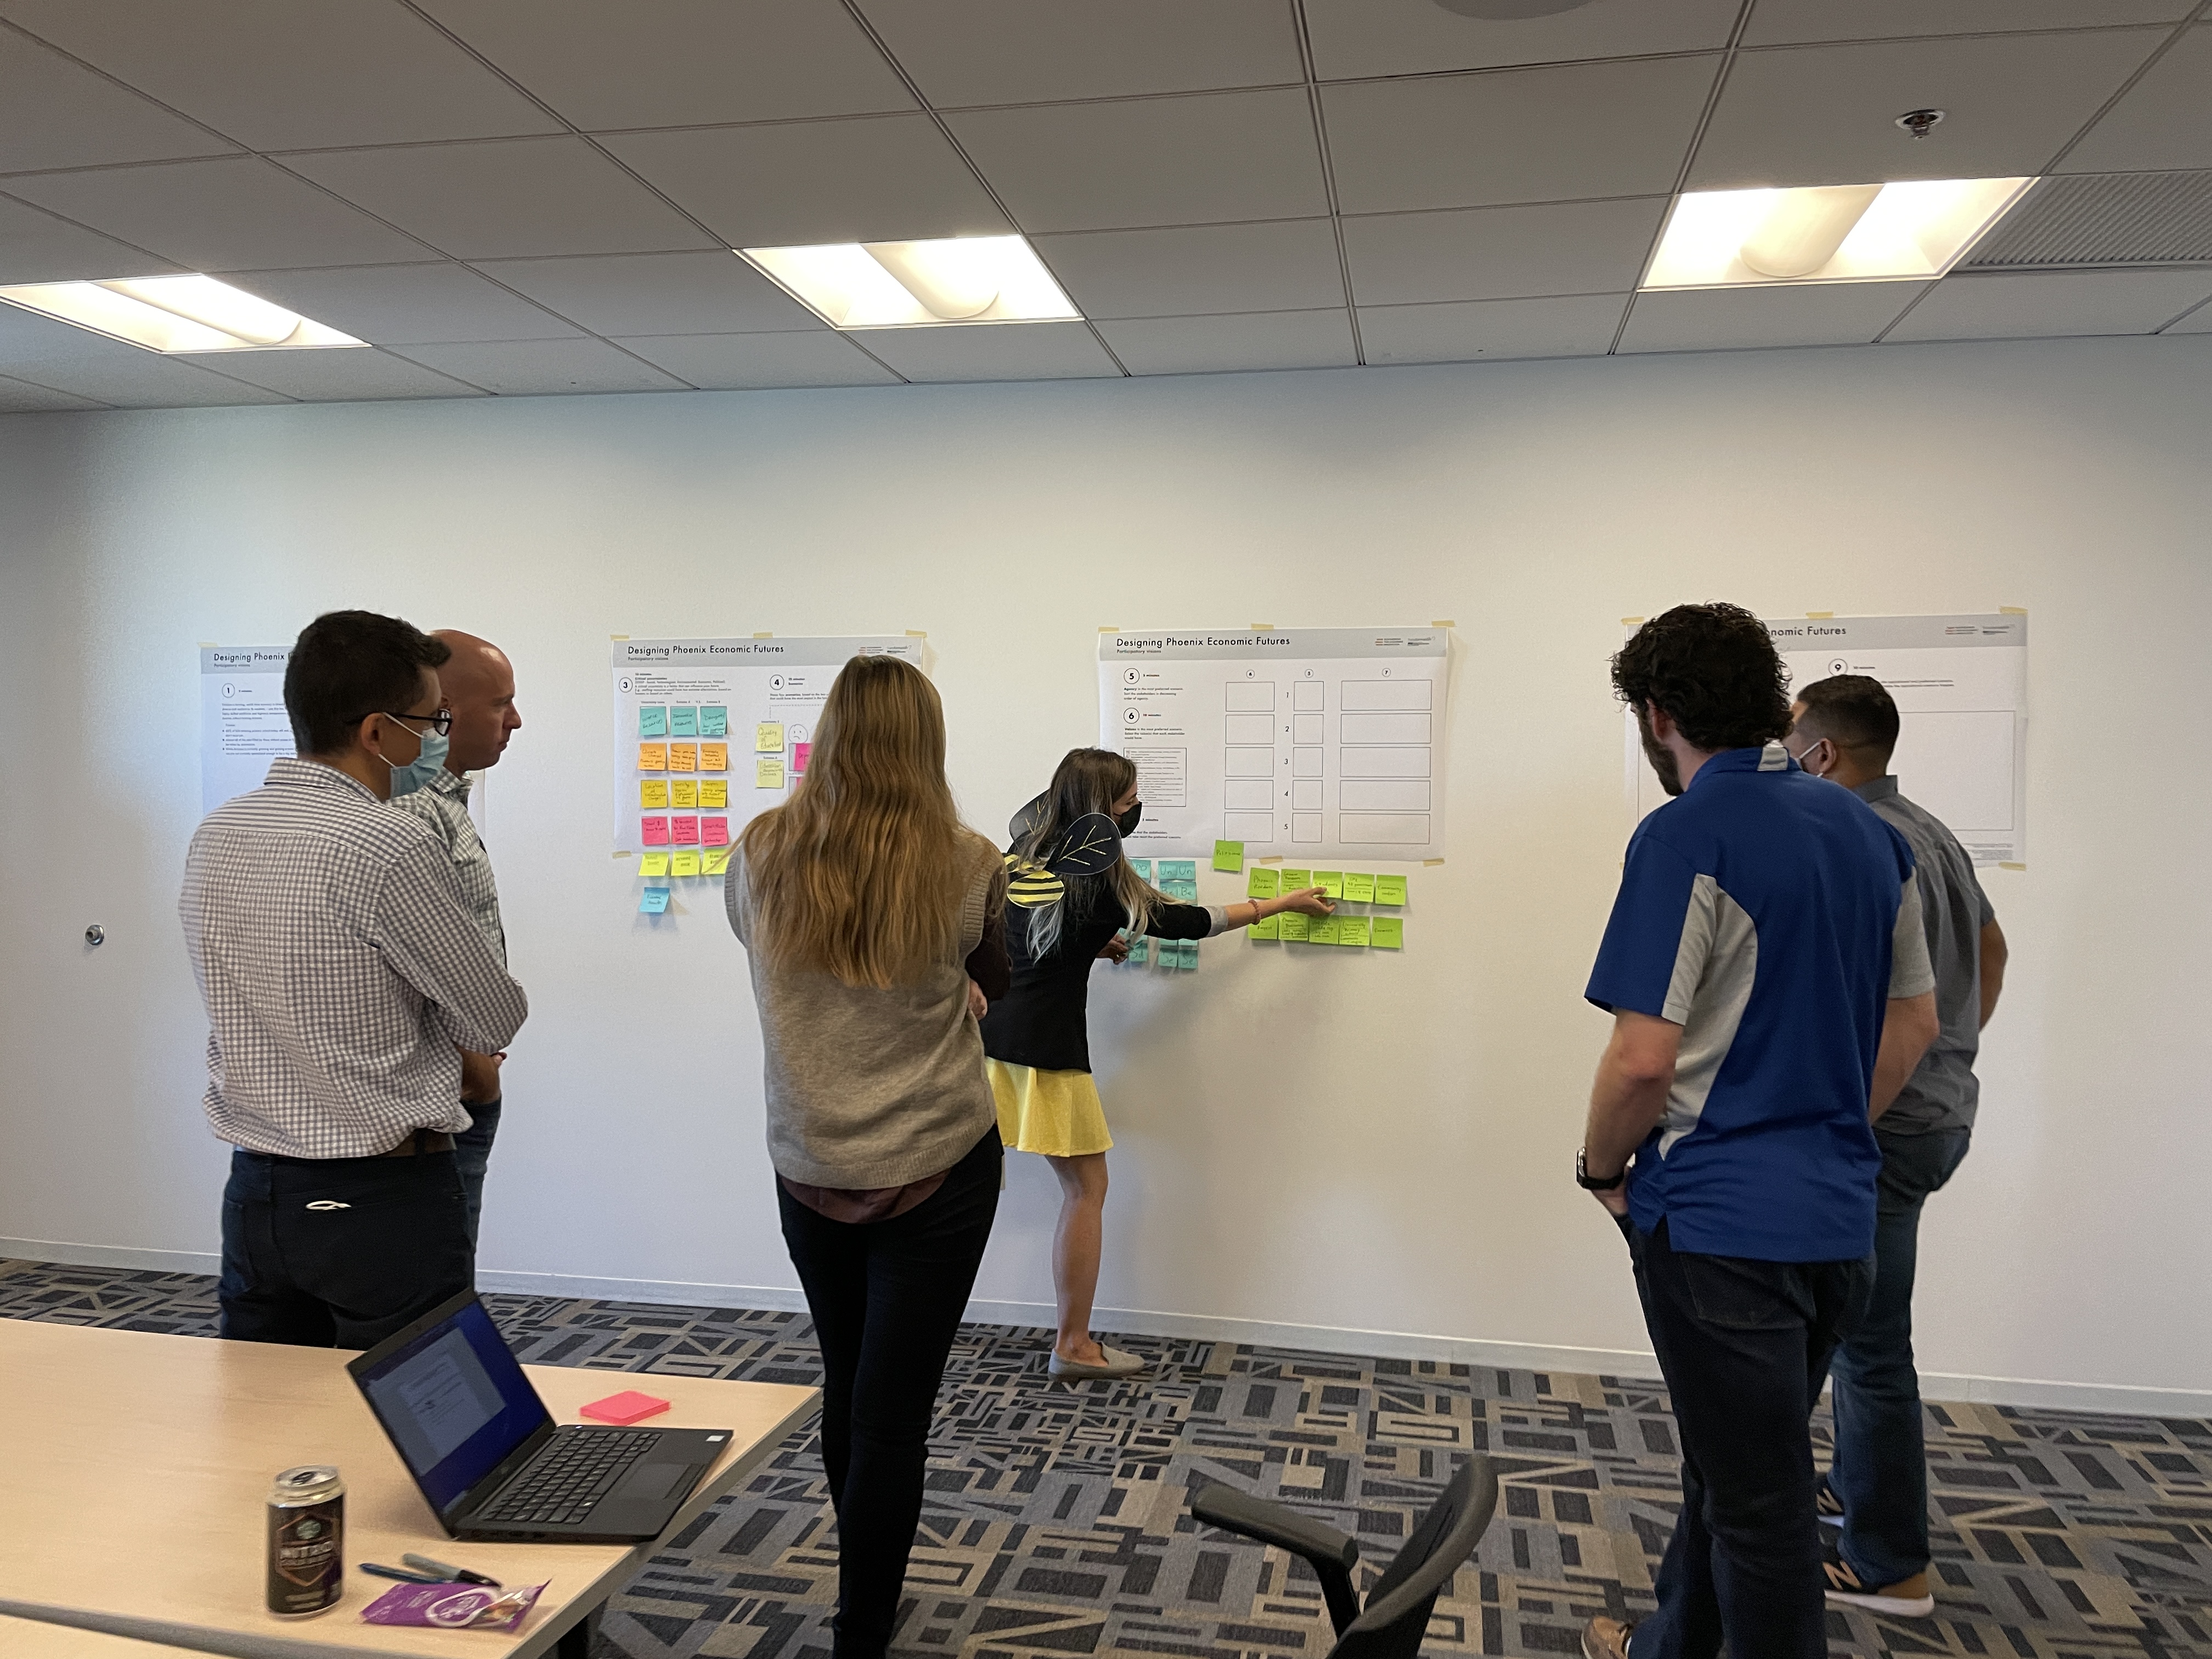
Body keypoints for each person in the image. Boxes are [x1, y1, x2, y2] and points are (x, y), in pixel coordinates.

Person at [1575, 603, 1939, 1659]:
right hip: (1837, 1216)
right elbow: (1914, 1021)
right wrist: (1820, 1124)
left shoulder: (1685, 832)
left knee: (1760, 1508)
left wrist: (1599, 1169)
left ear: (1657, 715)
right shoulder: (1868, 832)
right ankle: (1669, 1643)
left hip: (1721, 1228)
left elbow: (1641, 1058)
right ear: (1775, 703)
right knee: (1737, 1462)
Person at [723, 653, 1009, 1659]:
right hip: (939, 1158)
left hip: (810, 1158)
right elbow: (995, 974)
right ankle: (863, 1626)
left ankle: (859, 1608)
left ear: (830, 733)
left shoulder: (759, 850)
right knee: (893, 1412)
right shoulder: (969, 861)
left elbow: (767, 958)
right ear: (927, 742)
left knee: (846, 1379)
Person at [179, 610, 527, 1348]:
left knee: (266, 1404)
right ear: (377, 733)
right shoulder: (389, 841)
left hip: (257, 1191)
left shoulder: (219, 831)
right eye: (431, 722)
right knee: (426, 1403)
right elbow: (493, 1016)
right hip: (380, 1195)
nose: (438, 738)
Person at [978, 750, 1334, 1380]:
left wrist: (1090, 944)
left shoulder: (1022, 852)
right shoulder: (1102, 879)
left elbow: (1022, 935)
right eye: (1128, 802)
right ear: (1103, 810)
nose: (1135, 810)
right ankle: (1074, 1346)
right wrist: (1281, 903)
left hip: (985, 1043)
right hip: (1043, 1054)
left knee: (966, 1186)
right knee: (1087, 1190)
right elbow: (1191, 922)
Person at [1787, 674, 2008, 1618]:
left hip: (1888, 1127)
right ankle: (1856, 1486)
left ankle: (1889, 1565)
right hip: (1939, 1113)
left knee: (1870, 1348)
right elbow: (1993, 952)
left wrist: (1855, 1109)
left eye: (1789, 738)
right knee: (1865, 1332)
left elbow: (1882, 1005)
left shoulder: (1860, 837)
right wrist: (1949, 1051)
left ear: (1822, 752)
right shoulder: (1931, 828)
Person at [391, 629, 523, 1248]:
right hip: (442, 1093)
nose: (515, 721)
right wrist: (476, 1069)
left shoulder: (443, 804)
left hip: (460, 1081)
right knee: (434, 1278)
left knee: (444, 1268)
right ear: (443, 710)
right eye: (501, 703)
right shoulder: (411, 812)